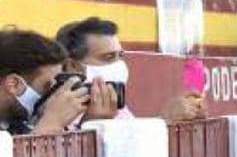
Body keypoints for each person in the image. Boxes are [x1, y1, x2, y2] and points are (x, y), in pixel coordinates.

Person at [55, 16, 206, 121]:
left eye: (120, 56)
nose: (119, 64)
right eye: (108, 58)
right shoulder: (61, 110)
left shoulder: (116, 105)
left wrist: (181, 116)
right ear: (73, 65)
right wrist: (165, 119)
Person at [0, 29, 87, 135]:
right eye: (47, 87)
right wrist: (51, 123)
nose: (53, 95)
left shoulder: (14, 124)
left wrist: (88, 122)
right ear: (14, 84)